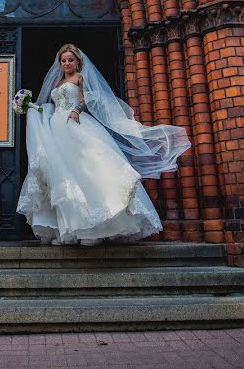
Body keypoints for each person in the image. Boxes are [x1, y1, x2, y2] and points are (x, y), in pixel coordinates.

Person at [17, 44, 191, 245]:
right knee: (61, 176)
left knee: (86, 171)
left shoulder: (79, 78)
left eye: (70, 60)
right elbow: (50, 104)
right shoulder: (58, 82)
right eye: (63, 60)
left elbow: (84, 100)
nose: (66, 63)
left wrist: (76, 110)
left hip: (72, 124)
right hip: (56, 127)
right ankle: (68, 231)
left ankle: (93, 230)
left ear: (78, 62)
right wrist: (32, 107)